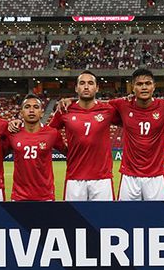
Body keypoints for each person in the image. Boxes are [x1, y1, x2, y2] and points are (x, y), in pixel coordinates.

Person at [109, 67, 164, 201]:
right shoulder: (122, 104)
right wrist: (73, 100)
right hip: (129, 175)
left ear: (154, 87)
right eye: (139, 84)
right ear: (132, 87)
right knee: (126, 218)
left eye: (148, 83)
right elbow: (94, 104)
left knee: (159, 220)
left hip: (156, 176)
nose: (144, 87)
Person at [48, 70, 116, 201]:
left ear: (97, 88)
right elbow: (49, 132)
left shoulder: (108, 109)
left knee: (105, 220)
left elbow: (128, 110)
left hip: (102, 178)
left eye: (90, 83)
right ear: (76, 88)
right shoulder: (65, 110)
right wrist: (65, 149)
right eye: (82, 83)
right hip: (75, 177)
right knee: (74, 220)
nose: (86, 86)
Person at [7, 94, 66, 201]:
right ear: (21, 112)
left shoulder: (52, 133)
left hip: (45, 196)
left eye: (36, 107)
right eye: (27, 107)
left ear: (41, 112)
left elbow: (69, 153)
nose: (31, 110)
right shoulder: (12, 133)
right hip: (19, 197)